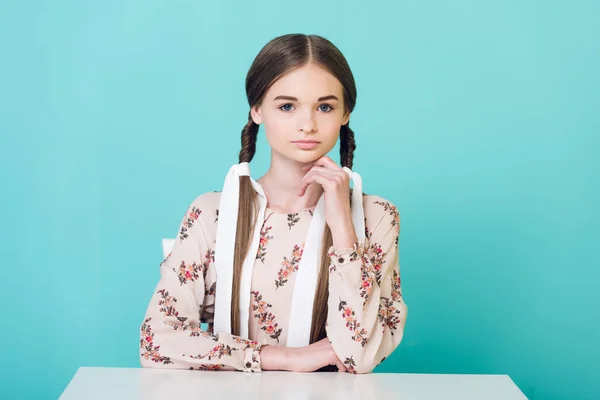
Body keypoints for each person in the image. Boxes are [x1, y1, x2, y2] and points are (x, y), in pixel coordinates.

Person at [139, 33, 407, 374]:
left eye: (325, 107)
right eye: (287, 106)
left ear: (345, 113)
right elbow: (157, 342)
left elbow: (361, 355)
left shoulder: (376, 218)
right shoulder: (212, 214)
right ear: (257, 110)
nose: (307, 124)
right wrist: (287, 358)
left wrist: (341, 223)